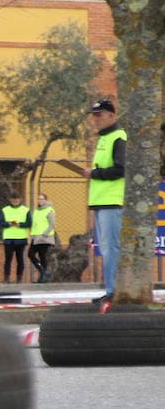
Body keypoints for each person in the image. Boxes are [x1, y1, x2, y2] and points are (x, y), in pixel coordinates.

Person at [80, 98, 126, 303]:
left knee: (110, 248)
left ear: (111, 116)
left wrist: (94, 173)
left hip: (112, 201)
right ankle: (110, 289)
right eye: (94, 115)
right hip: (101, 202)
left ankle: (112, 291)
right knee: (106, 248)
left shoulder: (119, 137)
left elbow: (121, 169)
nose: (95, 119)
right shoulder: (104, 138)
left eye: (99, 115)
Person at [0, 189, 30, 284]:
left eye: (16, 200)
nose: (15, 202)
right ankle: (6, 278)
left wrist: (20, 224)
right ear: (10, 200)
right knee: (8, 259)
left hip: (21, 238)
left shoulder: (25, 210)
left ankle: (19, 278)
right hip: (9, 238)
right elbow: (1, 222)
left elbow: (29, 223)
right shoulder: (5, 210)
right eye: (13, 200)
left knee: (20, 259)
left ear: (20, 200)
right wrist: (8, 224)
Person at [28, 192, 57, 283]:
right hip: (36, 237)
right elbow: (35, 224)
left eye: (42, 199)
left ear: (46, 200)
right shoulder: (36, 211)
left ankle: (43, 276)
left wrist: (44, 234)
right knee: (31, 255)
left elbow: (52, 224)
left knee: (41, 256)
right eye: (39, 199)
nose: (40, 201)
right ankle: (43, 273)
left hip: (45, 238)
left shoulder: (49, 210)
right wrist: (32, 235)